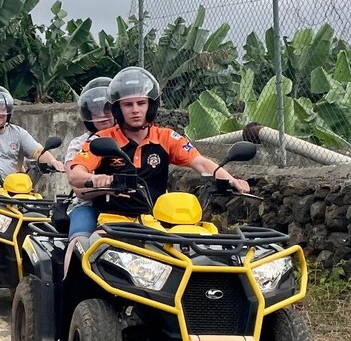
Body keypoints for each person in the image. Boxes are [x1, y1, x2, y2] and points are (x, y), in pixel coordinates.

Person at [68, 66, 250, 229]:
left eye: (141, 103)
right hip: (113, 222)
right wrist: (99, 178)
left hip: (156, 223)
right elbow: (75, 174)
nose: (135, 110)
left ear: (151, 106)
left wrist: (231, 180)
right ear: (118, 109)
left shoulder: (165, 137)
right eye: (128, 105)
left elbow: (200, 163)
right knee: (88, 250)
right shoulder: (102, 139)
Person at [62, 77, 116, 273]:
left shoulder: (131, 138)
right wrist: (103, 184)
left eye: (107, 109)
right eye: (95, 110)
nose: (102, 116)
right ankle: (69, 291)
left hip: (128, 207)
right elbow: (77, 186)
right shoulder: (79, 144)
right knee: (79, 242)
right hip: (87, 205)